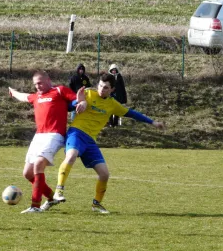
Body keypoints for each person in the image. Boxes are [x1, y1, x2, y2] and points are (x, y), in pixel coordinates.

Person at [41, 73, 164, 214]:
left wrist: (153, 122)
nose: (101, 89)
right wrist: (79, 102)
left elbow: (132, 113)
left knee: (104, 174)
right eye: (100, 85)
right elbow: (67, 105)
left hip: (90, 141)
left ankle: (96, 204)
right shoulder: (87, 93)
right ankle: (59, 191)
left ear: (112, 90)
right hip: (76, 133)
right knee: (71, 156)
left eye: (105, 87)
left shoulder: (112, 104)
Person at [9, 70, 85, 213]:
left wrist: (82, 102)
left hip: (54, 135)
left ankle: (35, 206)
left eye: (40, 83)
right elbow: (24, 96)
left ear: (48, 80)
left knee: (38, 164)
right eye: (35, 84)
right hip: (39, 136)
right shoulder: (36, 96)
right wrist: (13, 92)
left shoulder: (59, 90)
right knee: (27, 173)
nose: (37, 86)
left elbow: (76, 100)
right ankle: (51, 198)